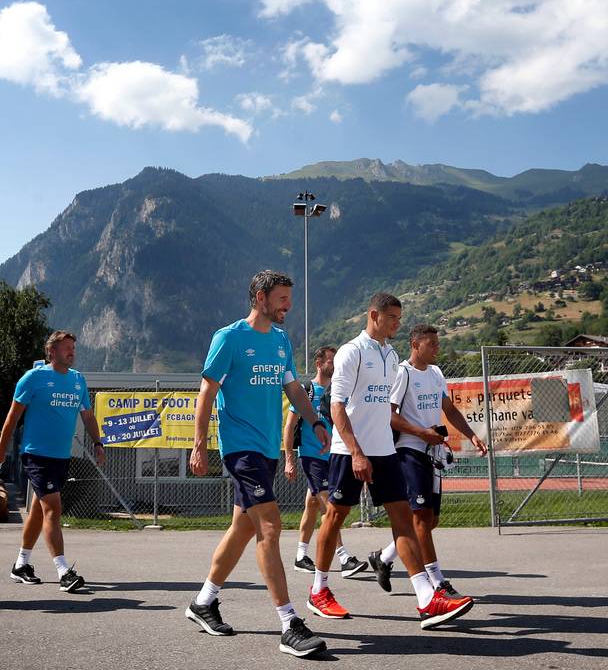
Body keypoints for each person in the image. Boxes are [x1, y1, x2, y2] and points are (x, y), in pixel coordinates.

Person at [307, 293, 474, 630]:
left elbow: (385, 409)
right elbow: (336, 406)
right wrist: (355, 451)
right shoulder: (352, 352)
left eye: (400, 317)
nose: (398, 323)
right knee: (335, 516)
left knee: (404, 519)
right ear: (374, 315)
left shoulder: (390, 354)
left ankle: (427, 598)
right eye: (393, 318)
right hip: (347, 450)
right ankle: (319, 591)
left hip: (385, 451)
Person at [184, 270, 328, 658]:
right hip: (240, 447)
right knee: (269, 524)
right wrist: (199, 444)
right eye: (282, 298)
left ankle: (203, 602)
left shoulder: (280, 340)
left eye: (289, 299)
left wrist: (314, 421)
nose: (288, 306)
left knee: (243, 528)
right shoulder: (229, 338)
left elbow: (292, 387)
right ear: (261, 297)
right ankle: (289, 623)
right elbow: (207, 391)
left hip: (265, 448)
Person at [368, 324, 488, 599]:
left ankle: (383, 557)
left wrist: (471, 435)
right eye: (431, 343)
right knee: (420, 518)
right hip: (408, 450)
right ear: (415, 344)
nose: (437, 347)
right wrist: (422, 432)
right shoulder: (403, 372)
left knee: (430, 520)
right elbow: (389, 415)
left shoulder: (435, 373)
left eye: (437, 342)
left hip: (432, 453)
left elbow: (448, 408)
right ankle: (437, 582)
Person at [0, 330, 104, 593]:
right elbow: (13, 416)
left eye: (73, 348)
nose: (71, 352)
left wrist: (98, 443)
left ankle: (21, 564)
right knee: (53, 507)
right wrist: (0, 449)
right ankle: (64, 571)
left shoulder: (78, 381)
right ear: (51, 352)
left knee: (39, 510)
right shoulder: (34, 378)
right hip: (36, 454)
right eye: (66, 348)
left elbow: (87, 416)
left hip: (60, 457)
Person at [281, 346, 366, 577]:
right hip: (312, 456)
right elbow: (289, 427)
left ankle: (300, 555)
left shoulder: (339, 391)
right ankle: (343, 557)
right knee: (331, 506)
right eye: (331, 361)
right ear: (319, 364)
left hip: (335, 456)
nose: (335, 365)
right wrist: (289, 459)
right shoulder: (306, 390)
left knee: (312, 504)